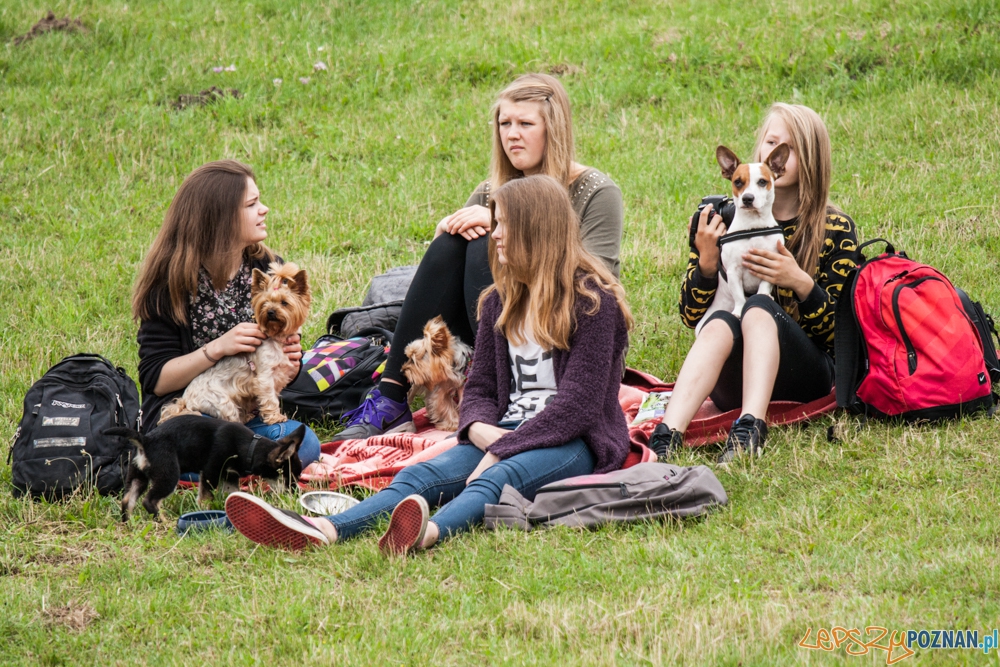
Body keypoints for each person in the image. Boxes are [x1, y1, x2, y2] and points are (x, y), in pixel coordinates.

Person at [224, 174, 633, 553]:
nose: (496, 234)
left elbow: (579, 407)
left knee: (497, 478)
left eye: (505, 224)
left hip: (573, 440)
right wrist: (477, 427)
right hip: (504, 430)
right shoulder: (498, 301)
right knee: (420, 476)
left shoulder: (593, 304)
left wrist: (501, 449)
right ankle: (324, 529)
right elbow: (481, 387)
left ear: (536, 229)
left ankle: (425, 533)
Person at [332, 72, 625, 442]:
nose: (512, 134)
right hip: (494, 331)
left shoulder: (595, 191)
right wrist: (444, 232)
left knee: (479, 241)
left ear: (555, 129)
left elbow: (597, 284)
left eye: (525, 124)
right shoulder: (491, 190)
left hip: (564, 340)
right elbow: (450, 273)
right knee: (453, 243)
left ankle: (495, 384)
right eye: (504, 123)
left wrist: (511, 226)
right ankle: (391, 397)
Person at [656, 103, 858, 464]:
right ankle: (666, 435)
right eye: (770, 141)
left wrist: (799, 282)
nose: (777, 151)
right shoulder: (720, 219)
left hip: (805, 377)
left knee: (759, 306)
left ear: (811, 159)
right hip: (732, 381)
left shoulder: (835, 228)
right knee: (721, 320)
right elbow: (690, 316)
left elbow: (841, 337)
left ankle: (750, 428)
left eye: (790, 147)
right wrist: (706, 263)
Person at [133, 160, 321, 468]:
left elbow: (272, 361)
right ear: (221, 219)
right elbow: (156, 379)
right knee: (203, 446)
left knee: (306, 443)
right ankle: (240, 463)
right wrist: (217, 348)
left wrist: (291, 359)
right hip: (190, 413)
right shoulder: (169, 284)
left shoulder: (266, 267)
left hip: (248, 412)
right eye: (252, 204)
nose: (264, 209)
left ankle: (233, 463)